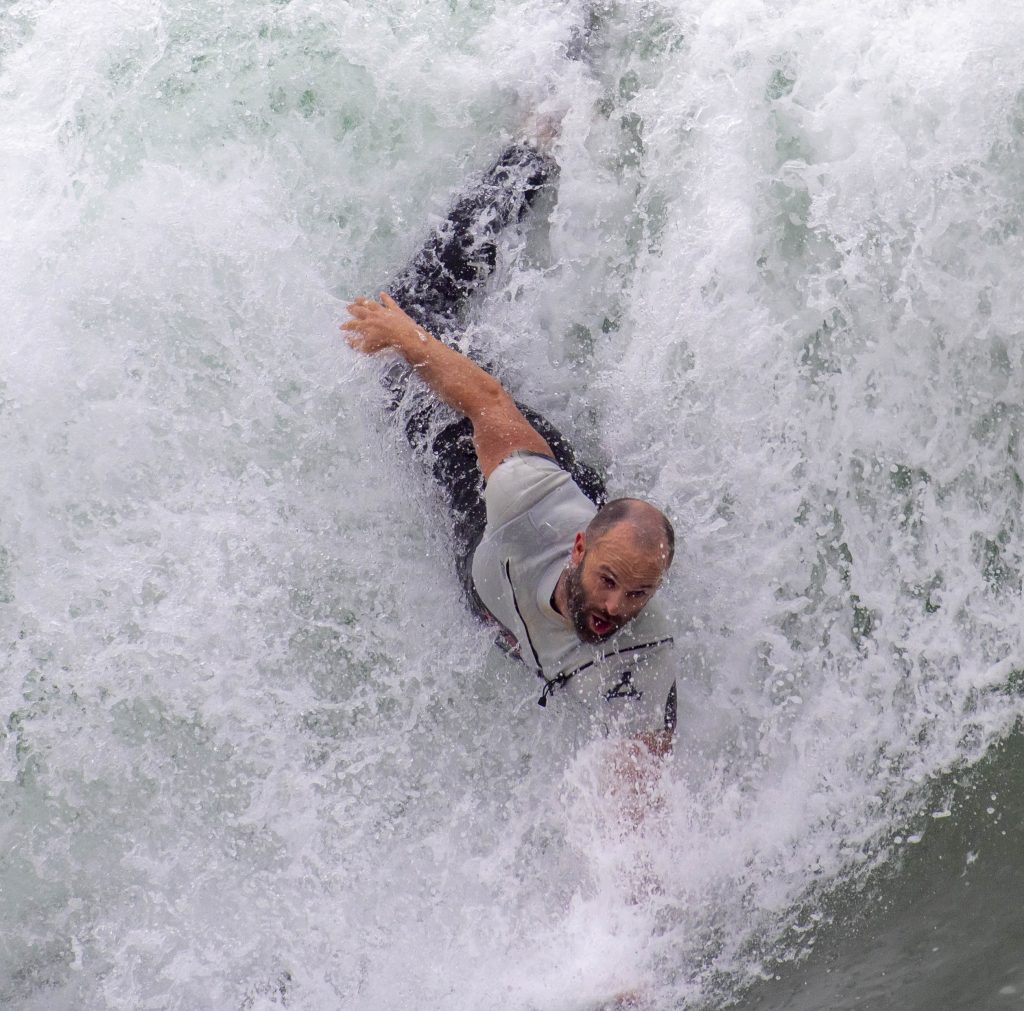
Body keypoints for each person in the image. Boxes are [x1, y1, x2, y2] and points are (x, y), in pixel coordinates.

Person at [342, 141, 678, 757]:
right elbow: (485, 402)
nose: (614, 608)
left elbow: (641, 785)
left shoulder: (640, 663)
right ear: (581, 550)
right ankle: (535, 149)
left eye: (636, 595)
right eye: (609, 582)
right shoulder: (530, 501)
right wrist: (402, 335)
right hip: (508, 506)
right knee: (407, 338)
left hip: (502, 582)